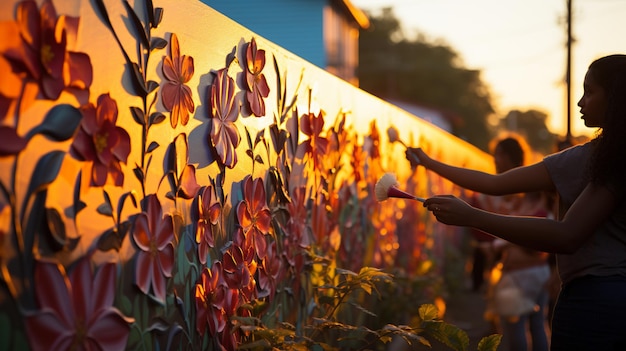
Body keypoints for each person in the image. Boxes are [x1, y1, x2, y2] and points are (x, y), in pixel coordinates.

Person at [406, 54, 626, 350]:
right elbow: (495, 183)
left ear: (614, 98)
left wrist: (474, 217)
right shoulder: (593, 157)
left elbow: (567, 235)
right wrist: (430, 162)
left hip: (597, 303)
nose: (580, 102)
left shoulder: (609, 160)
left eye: (590, 91)